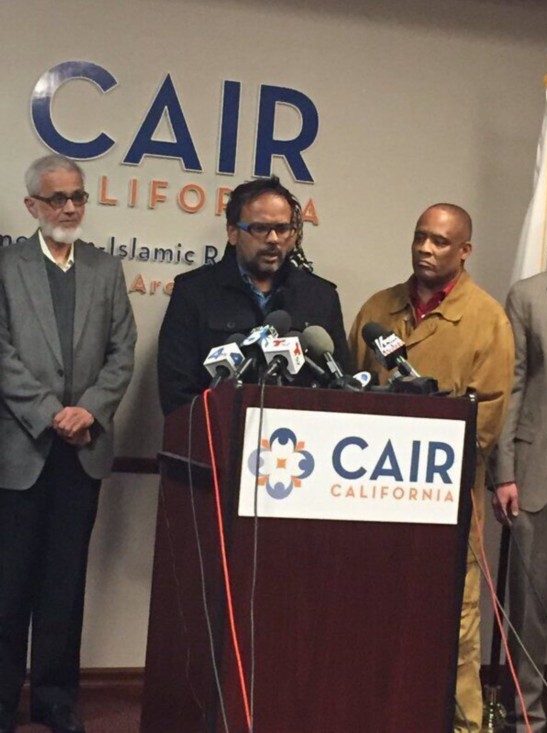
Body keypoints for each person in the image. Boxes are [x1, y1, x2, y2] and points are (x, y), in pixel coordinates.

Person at [348, 203, 514, 733]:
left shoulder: (487, 319)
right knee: (370, 612)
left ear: (464, 251)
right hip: (370, 498)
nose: (425, 248)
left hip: (445, 501)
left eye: (440, 241)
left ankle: (463, 726)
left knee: (453, 624)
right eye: (421, 236)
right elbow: (346, 396)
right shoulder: (378, 309)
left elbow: (489, 417)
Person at [0, 154, 136, 733]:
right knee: (9, 586)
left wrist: (90, 411)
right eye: (57, 198)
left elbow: (122, 352)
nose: (71, 207)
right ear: (32, 205)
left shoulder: (106, 269)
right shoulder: (7, 267)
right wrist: (50, 414)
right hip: (20, 452)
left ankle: (56, 699)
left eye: (78, 196)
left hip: (82, 452)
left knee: (64, 584)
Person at [158, 175, 350, 415]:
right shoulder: (194, 292)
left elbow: (341, 390)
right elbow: (177, 392)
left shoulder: (321, 297)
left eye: (282, 229)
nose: (273, 239)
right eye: (260, 228)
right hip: (217, 432)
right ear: (233, 232)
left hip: (298, 435)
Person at [491, 270, 547, 733]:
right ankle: (527, 717)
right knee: (530, 610)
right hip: (535, 474)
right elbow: (510, 387)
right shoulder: (529, 296)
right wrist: (505, 470)